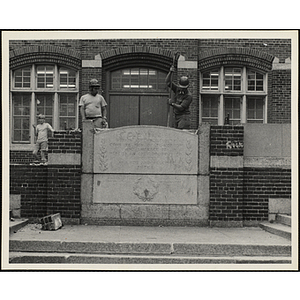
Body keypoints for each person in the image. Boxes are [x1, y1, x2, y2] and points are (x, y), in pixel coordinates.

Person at [165, 65, 192, 129]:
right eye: (181, 87)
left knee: (180, 134)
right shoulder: (177, 89)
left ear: (187, 87)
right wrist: (170, 72)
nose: (182, 89)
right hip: (176, 116)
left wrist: (172, 103)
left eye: (183, 88)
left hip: (184, 117)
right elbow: (168, 82)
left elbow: (181, 108)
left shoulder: (188, 96)